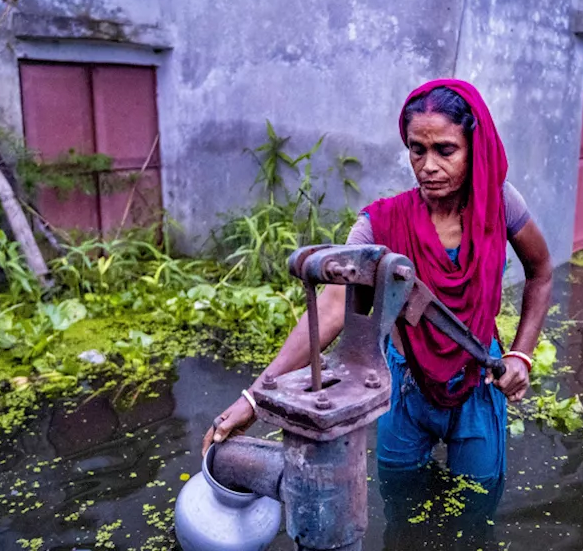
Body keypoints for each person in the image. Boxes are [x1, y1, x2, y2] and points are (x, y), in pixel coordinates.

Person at [203, 79, 554, 488]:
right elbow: (333, 308)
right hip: (403, 385)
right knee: (399, 501)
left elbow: (541, 271)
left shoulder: (500, 204)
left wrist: (521, 356)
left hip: (479, 379)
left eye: (445, 150)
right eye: (416, 149)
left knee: (475, 508)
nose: (428, 166)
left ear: (475, 147)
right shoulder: (380, 224)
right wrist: (254, 399)